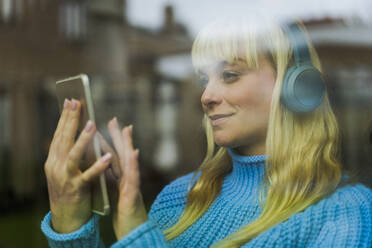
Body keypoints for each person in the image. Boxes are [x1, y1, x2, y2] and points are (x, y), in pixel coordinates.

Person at [41, 15, 372, 248]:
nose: (206, 96)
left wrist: (136, 232)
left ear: (297, 87)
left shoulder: (346, 213)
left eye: (229, 75)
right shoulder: (176, 199)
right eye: (204, 79)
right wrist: (71, 223)